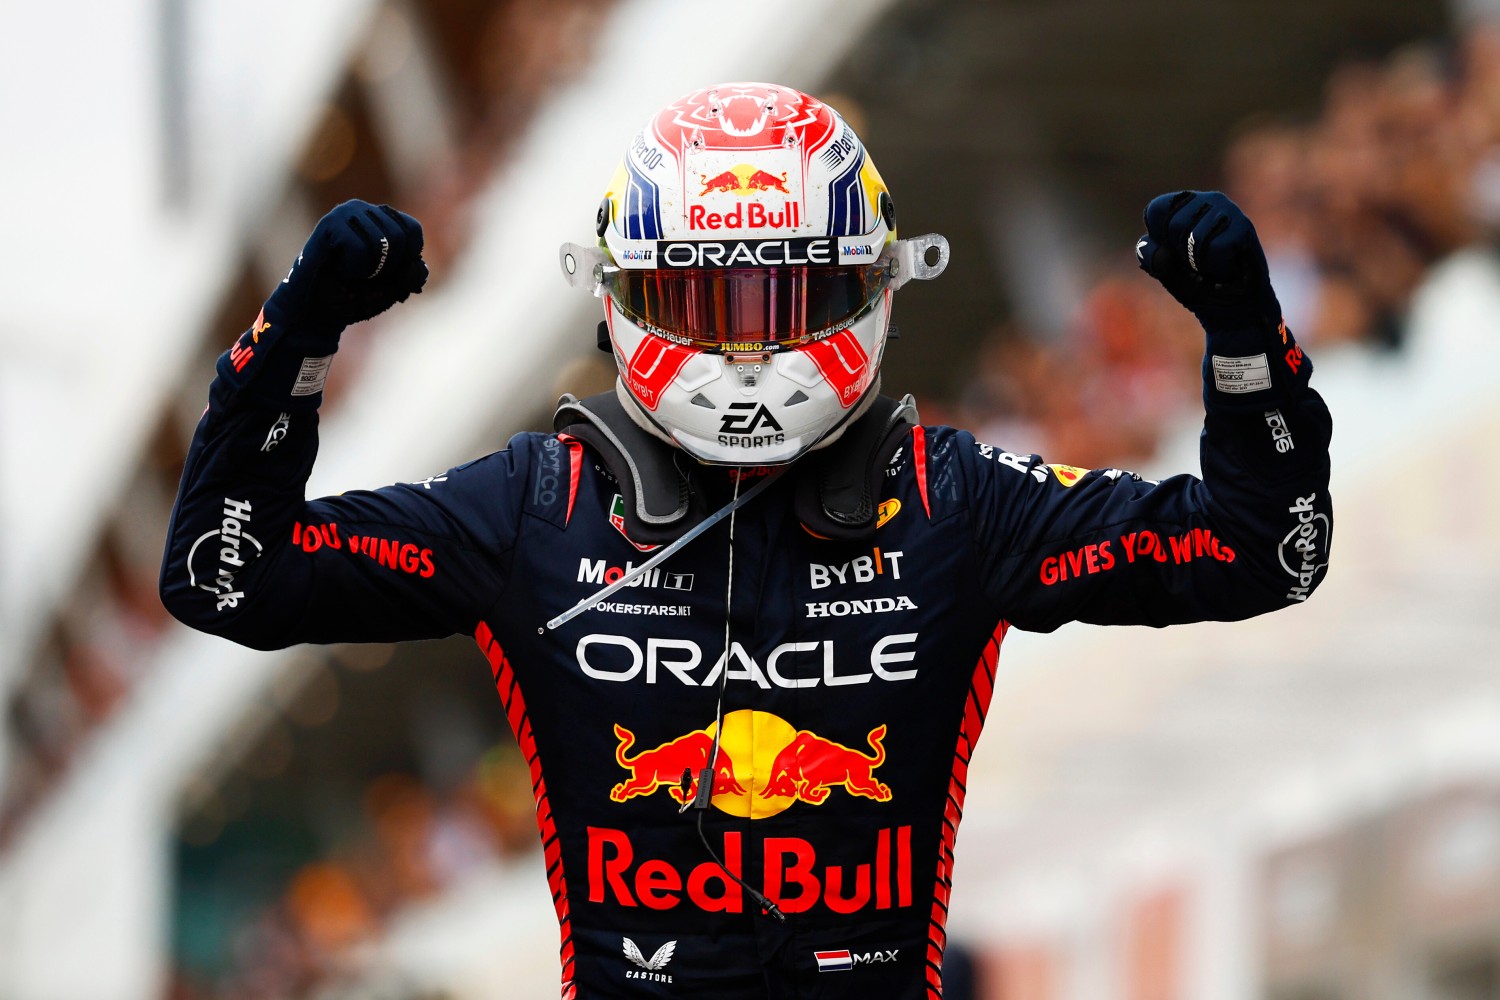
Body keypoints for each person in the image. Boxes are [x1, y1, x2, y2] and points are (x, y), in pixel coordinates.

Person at [161, 82, 1332, 999]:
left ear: (871, 286)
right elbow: (228, 574)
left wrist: (1245, 342)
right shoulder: (533, 503)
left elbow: (1262, 552)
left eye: (789, 298)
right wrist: (293, 341)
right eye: (709, 304)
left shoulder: (955, 500)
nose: (749, 350)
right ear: (625, 297)